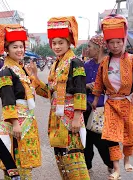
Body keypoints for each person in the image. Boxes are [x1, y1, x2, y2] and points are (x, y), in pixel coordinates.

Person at [29, 16, 90, 179]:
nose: (56, 46)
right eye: (54, 43)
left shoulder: (76, 62)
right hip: (56, 120)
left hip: (70, 119)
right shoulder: (56, 64)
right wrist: (34, 77)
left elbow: (80, 90)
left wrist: (77, 117)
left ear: (69, 42)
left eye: (60, 43)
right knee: (62, 159)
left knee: (74, 159)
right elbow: (50, 92)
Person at [92, 14, 133, 180]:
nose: (116, 45)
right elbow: (98, 81)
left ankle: (127, 159)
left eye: (119, 42)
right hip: (111, 103)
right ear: (107, 44)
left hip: (127, 103)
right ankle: (116, 168)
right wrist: (96, 99)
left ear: (124, 41)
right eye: (112, 42)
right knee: (112, 137)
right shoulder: (105, 62)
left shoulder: (132, 59)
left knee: (128, 133)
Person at [0, 24, 41, 180]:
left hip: (26, 120)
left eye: (21, 46)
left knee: (23, 159)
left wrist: (35, 75)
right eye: (15, 47)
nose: (19, 50)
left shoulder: (21, 69)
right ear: (7, 49)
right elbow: (7, 99)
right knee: (15, 157)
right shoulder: (5, 72)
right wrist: (14, 122)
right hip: (16, 121)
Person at [83, 35, 113, 174]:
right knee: (86, 140)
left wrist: (99, 87)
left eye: (89, 46)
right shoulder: (87, 65)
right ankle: (87, 167)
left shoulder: (110, 64)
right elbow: (79, 84)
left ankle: (111, 163)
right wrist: (86, 86)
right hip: (87, 107)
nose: (87, 49)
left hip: (103, 108)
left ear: (99, 47)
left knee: (101, 141)